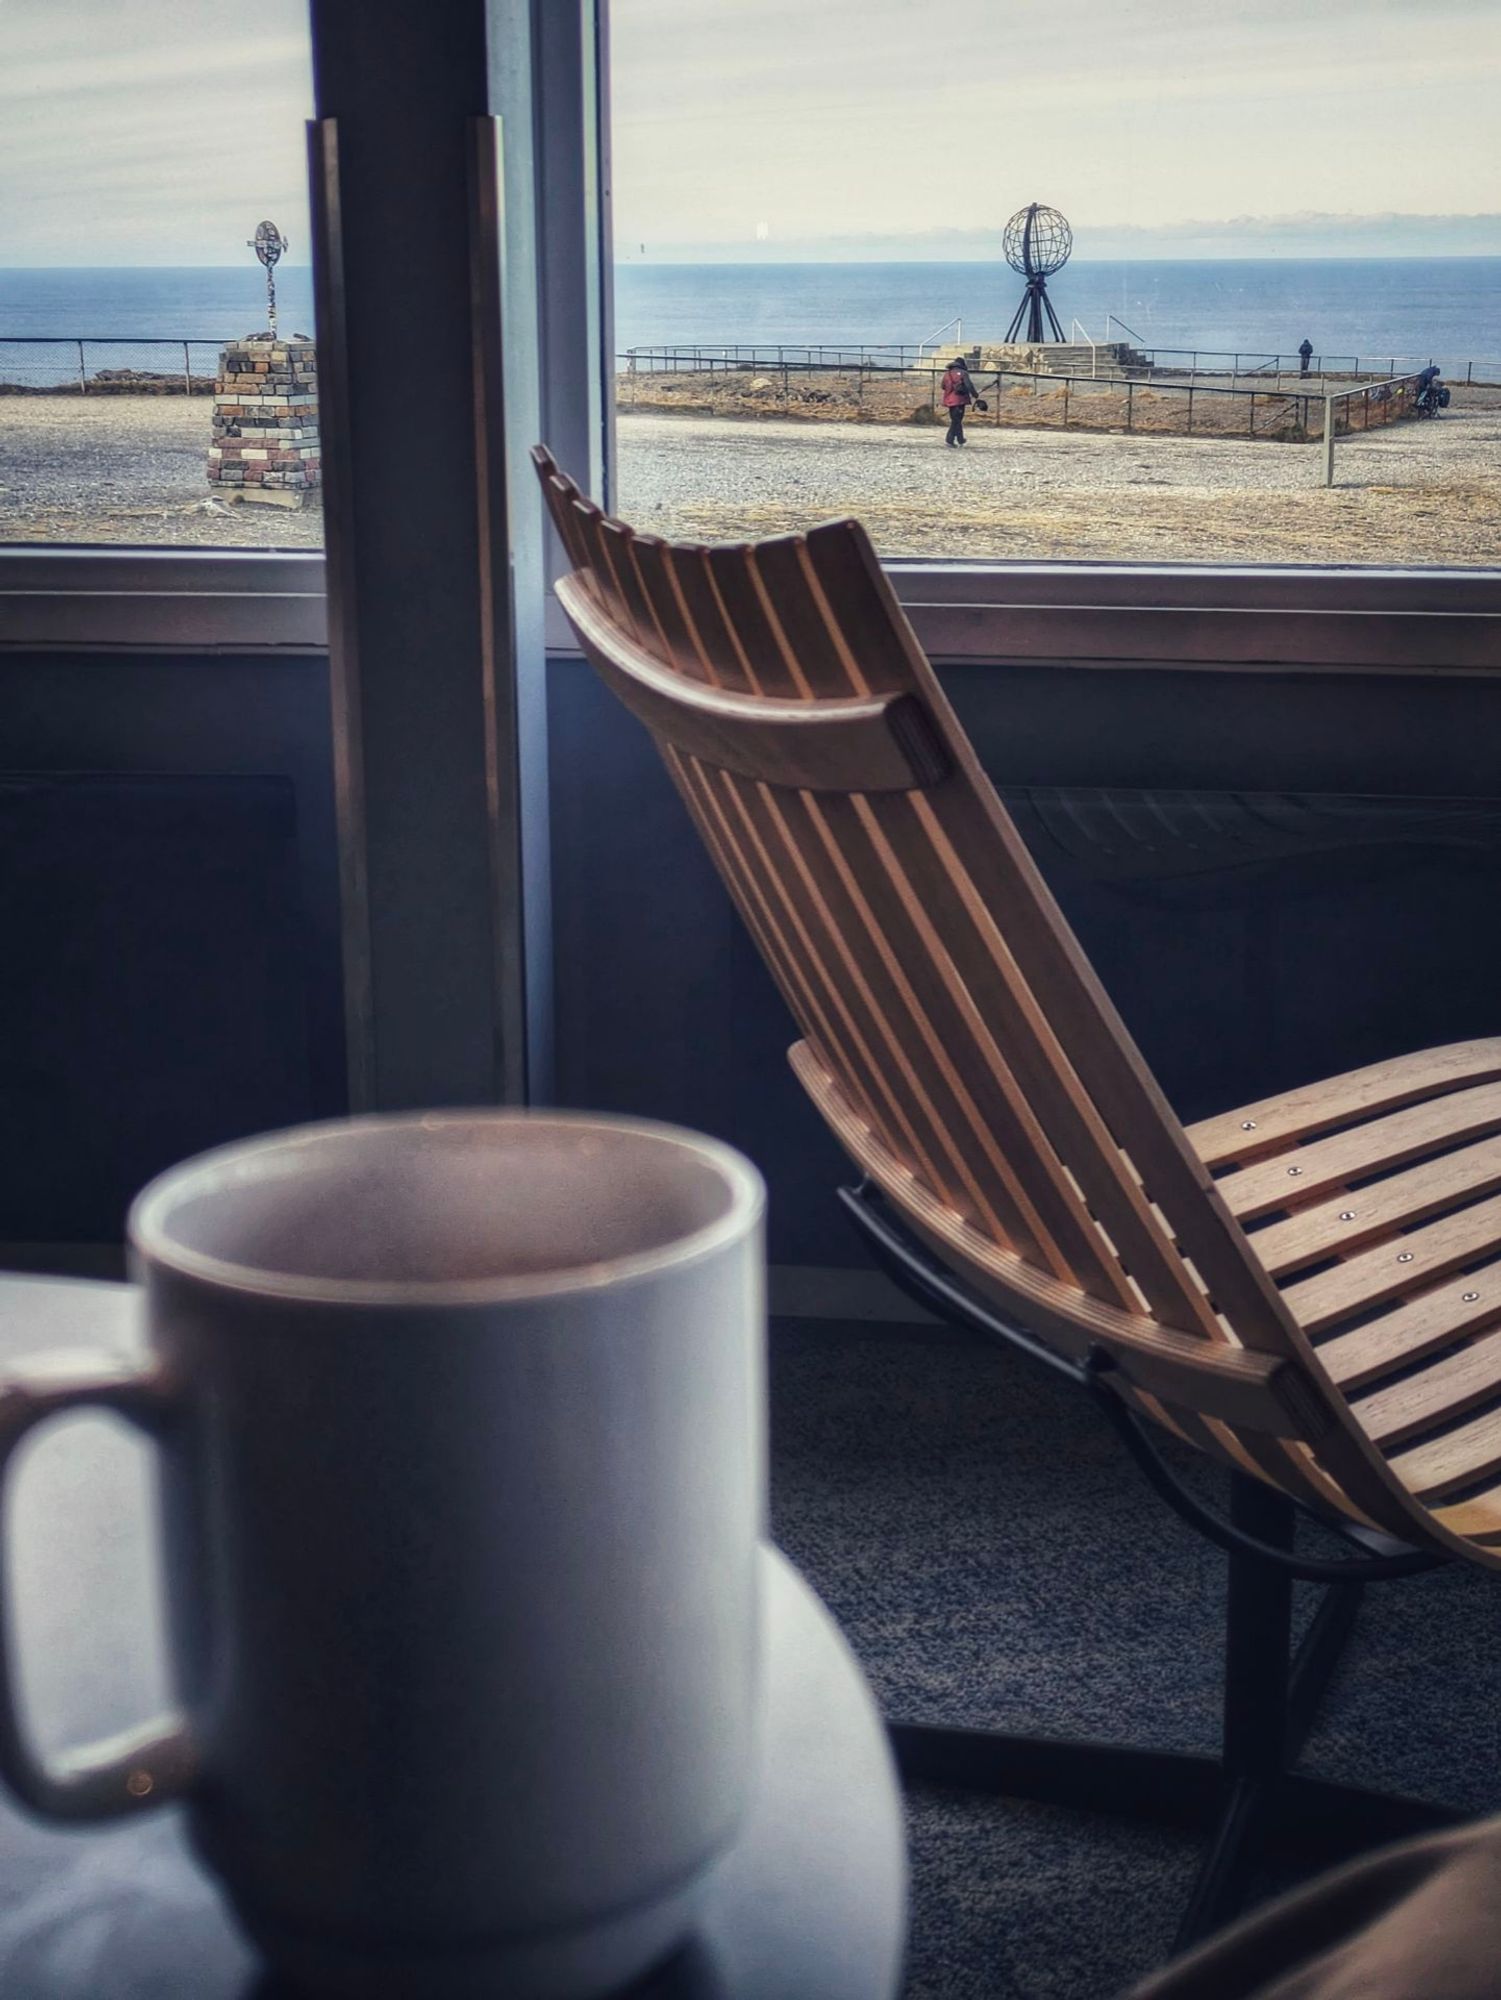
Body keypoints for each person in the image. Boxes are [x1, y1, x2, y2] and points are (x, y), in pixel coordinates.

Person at [941, 355, 974, 446]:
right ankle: (950, 439)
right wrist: (975, 394)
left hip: (949, 400)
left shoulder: (947, 374)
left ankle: (960, 439)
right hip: (960, 400)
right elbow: (969, 385)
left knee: (956, 419)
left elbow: (943, 386)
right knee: (957, 420)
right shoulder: (963, 373)